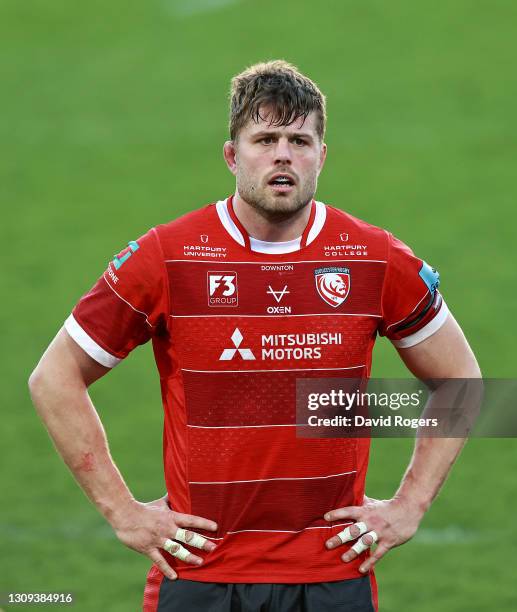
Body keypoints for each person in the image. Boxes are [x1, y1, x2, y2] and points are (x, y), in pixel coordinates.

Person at [29, 60, 481, 612]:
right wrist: (123, 512)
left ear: (322, 155)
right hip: (199, 572)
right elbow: (54, 378)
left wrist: (409, 505)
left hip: (333, 575)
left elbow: (460, 379)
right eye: (265, 139)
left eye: (300, 139)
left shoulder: (375, 257)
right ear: (232, 155)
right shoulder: (166, 256)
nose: (283, 154)